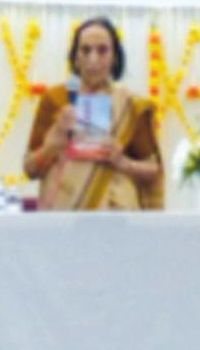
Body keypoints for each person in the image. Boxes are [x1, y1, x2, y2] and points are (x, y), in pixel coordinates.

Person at [23, 16, 161, 210]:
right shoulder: (56, 99)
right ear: (75, 58)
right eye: (85, 50)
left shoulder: (130, 105)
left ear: (115, 58)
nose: (93, 59)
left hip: (116, 217)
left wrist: (122, 162)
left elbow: (153, 170)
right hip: (64, 217)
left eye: (102, 50)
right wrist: (52, 145)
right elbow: (30, 170)